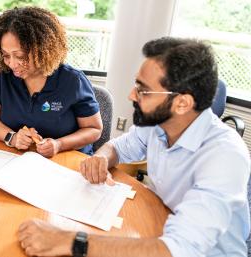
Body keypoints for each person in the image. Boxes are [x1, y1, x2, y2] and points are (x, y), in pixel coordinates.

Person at [17, 37, 250, 257]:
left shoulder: (225, 156)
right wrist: (102, 158)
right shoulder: (158, 124)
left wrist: (68, 241)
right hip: (161, 227)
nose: (131, 95)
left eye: (143, 89)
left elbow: (177, 250)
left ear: (182, 103)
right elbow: (118, 146)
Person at [0, 7, 103, 158]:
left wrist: (59, 144)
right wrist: (11, 137)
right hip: (16, 158)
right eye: (6, 55)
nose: (12, 64)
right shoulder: (1, 74)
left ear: (43, 49)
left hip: (66, 160)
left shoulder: (73, 81)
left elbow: (94, 129)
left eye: (20, 56)